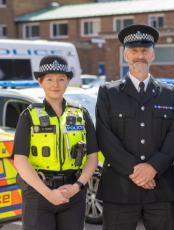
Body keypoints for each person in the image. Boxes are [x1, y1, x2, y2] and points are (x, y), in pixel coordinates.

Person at [95, 24, 174, 230]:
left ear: (153, 55)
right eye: (134, 51)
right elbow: (106, 137)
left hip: (160, 188)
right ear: (125, 55)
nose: (139, 56)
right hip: (119, 189)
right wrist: (137, 171)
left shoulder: (169, 93)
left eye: (145, 51)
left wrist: (152, 168)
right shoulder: (109, 92)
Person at [13, 54, 99, 230]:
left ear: (68, 81)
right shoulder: (28, 115)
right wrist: (48, 193)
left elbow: (92, 156)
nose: (56, 84)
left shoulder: (81, 114)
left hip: (73, 194)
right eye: (49, 79)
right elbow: (20, 159)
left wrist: (77, 186)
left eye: (61, 79)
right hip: (38, 193)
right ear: (40, 81)